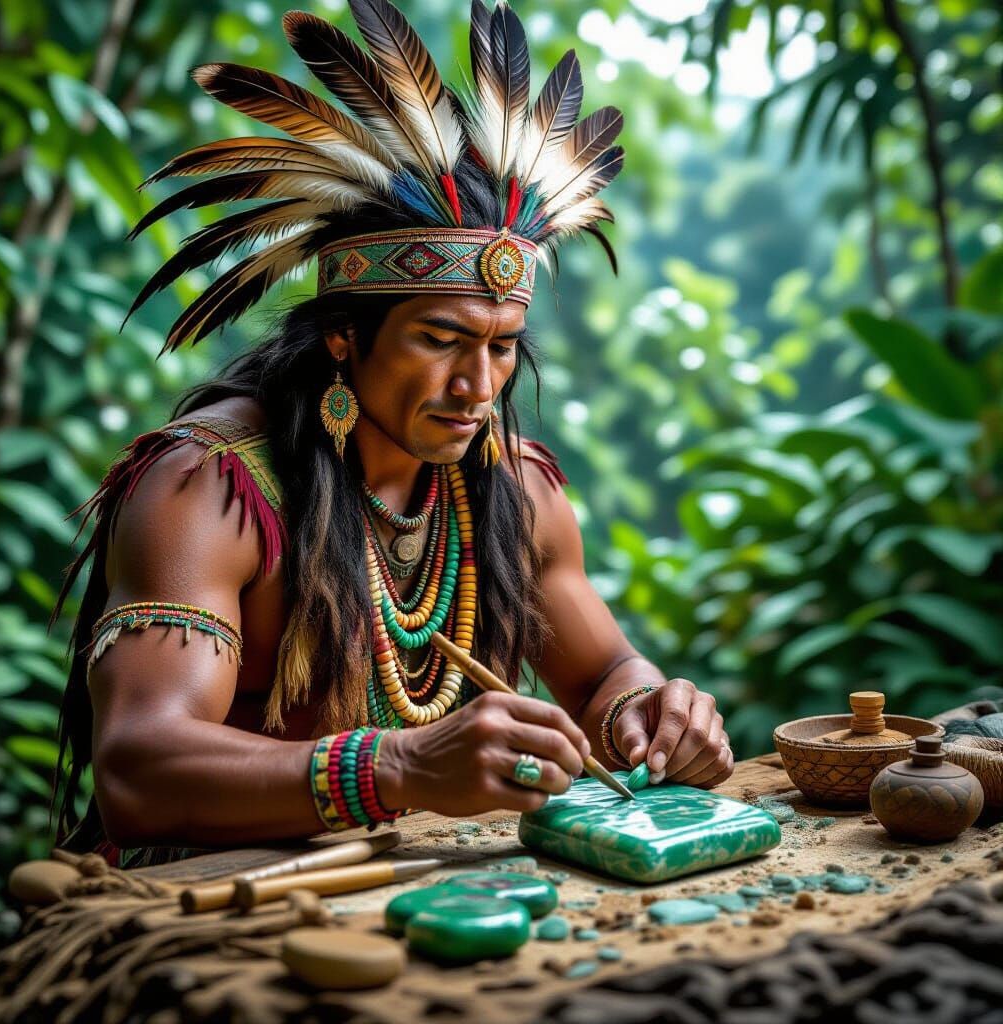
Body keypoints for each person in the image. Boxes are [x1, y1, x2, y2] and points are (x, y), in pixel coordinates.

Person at [51, 0, 733, 868]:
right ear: (345, 337)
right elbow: (138, 770)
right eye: (439, 339)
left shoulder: (519, 492)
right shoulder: (207, 491)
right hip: (213, 905)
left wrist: (651, 712)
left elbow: (604, 675)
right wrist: (399, 764)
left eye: (500, 347)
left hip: (439, 886)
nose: (477, 386)